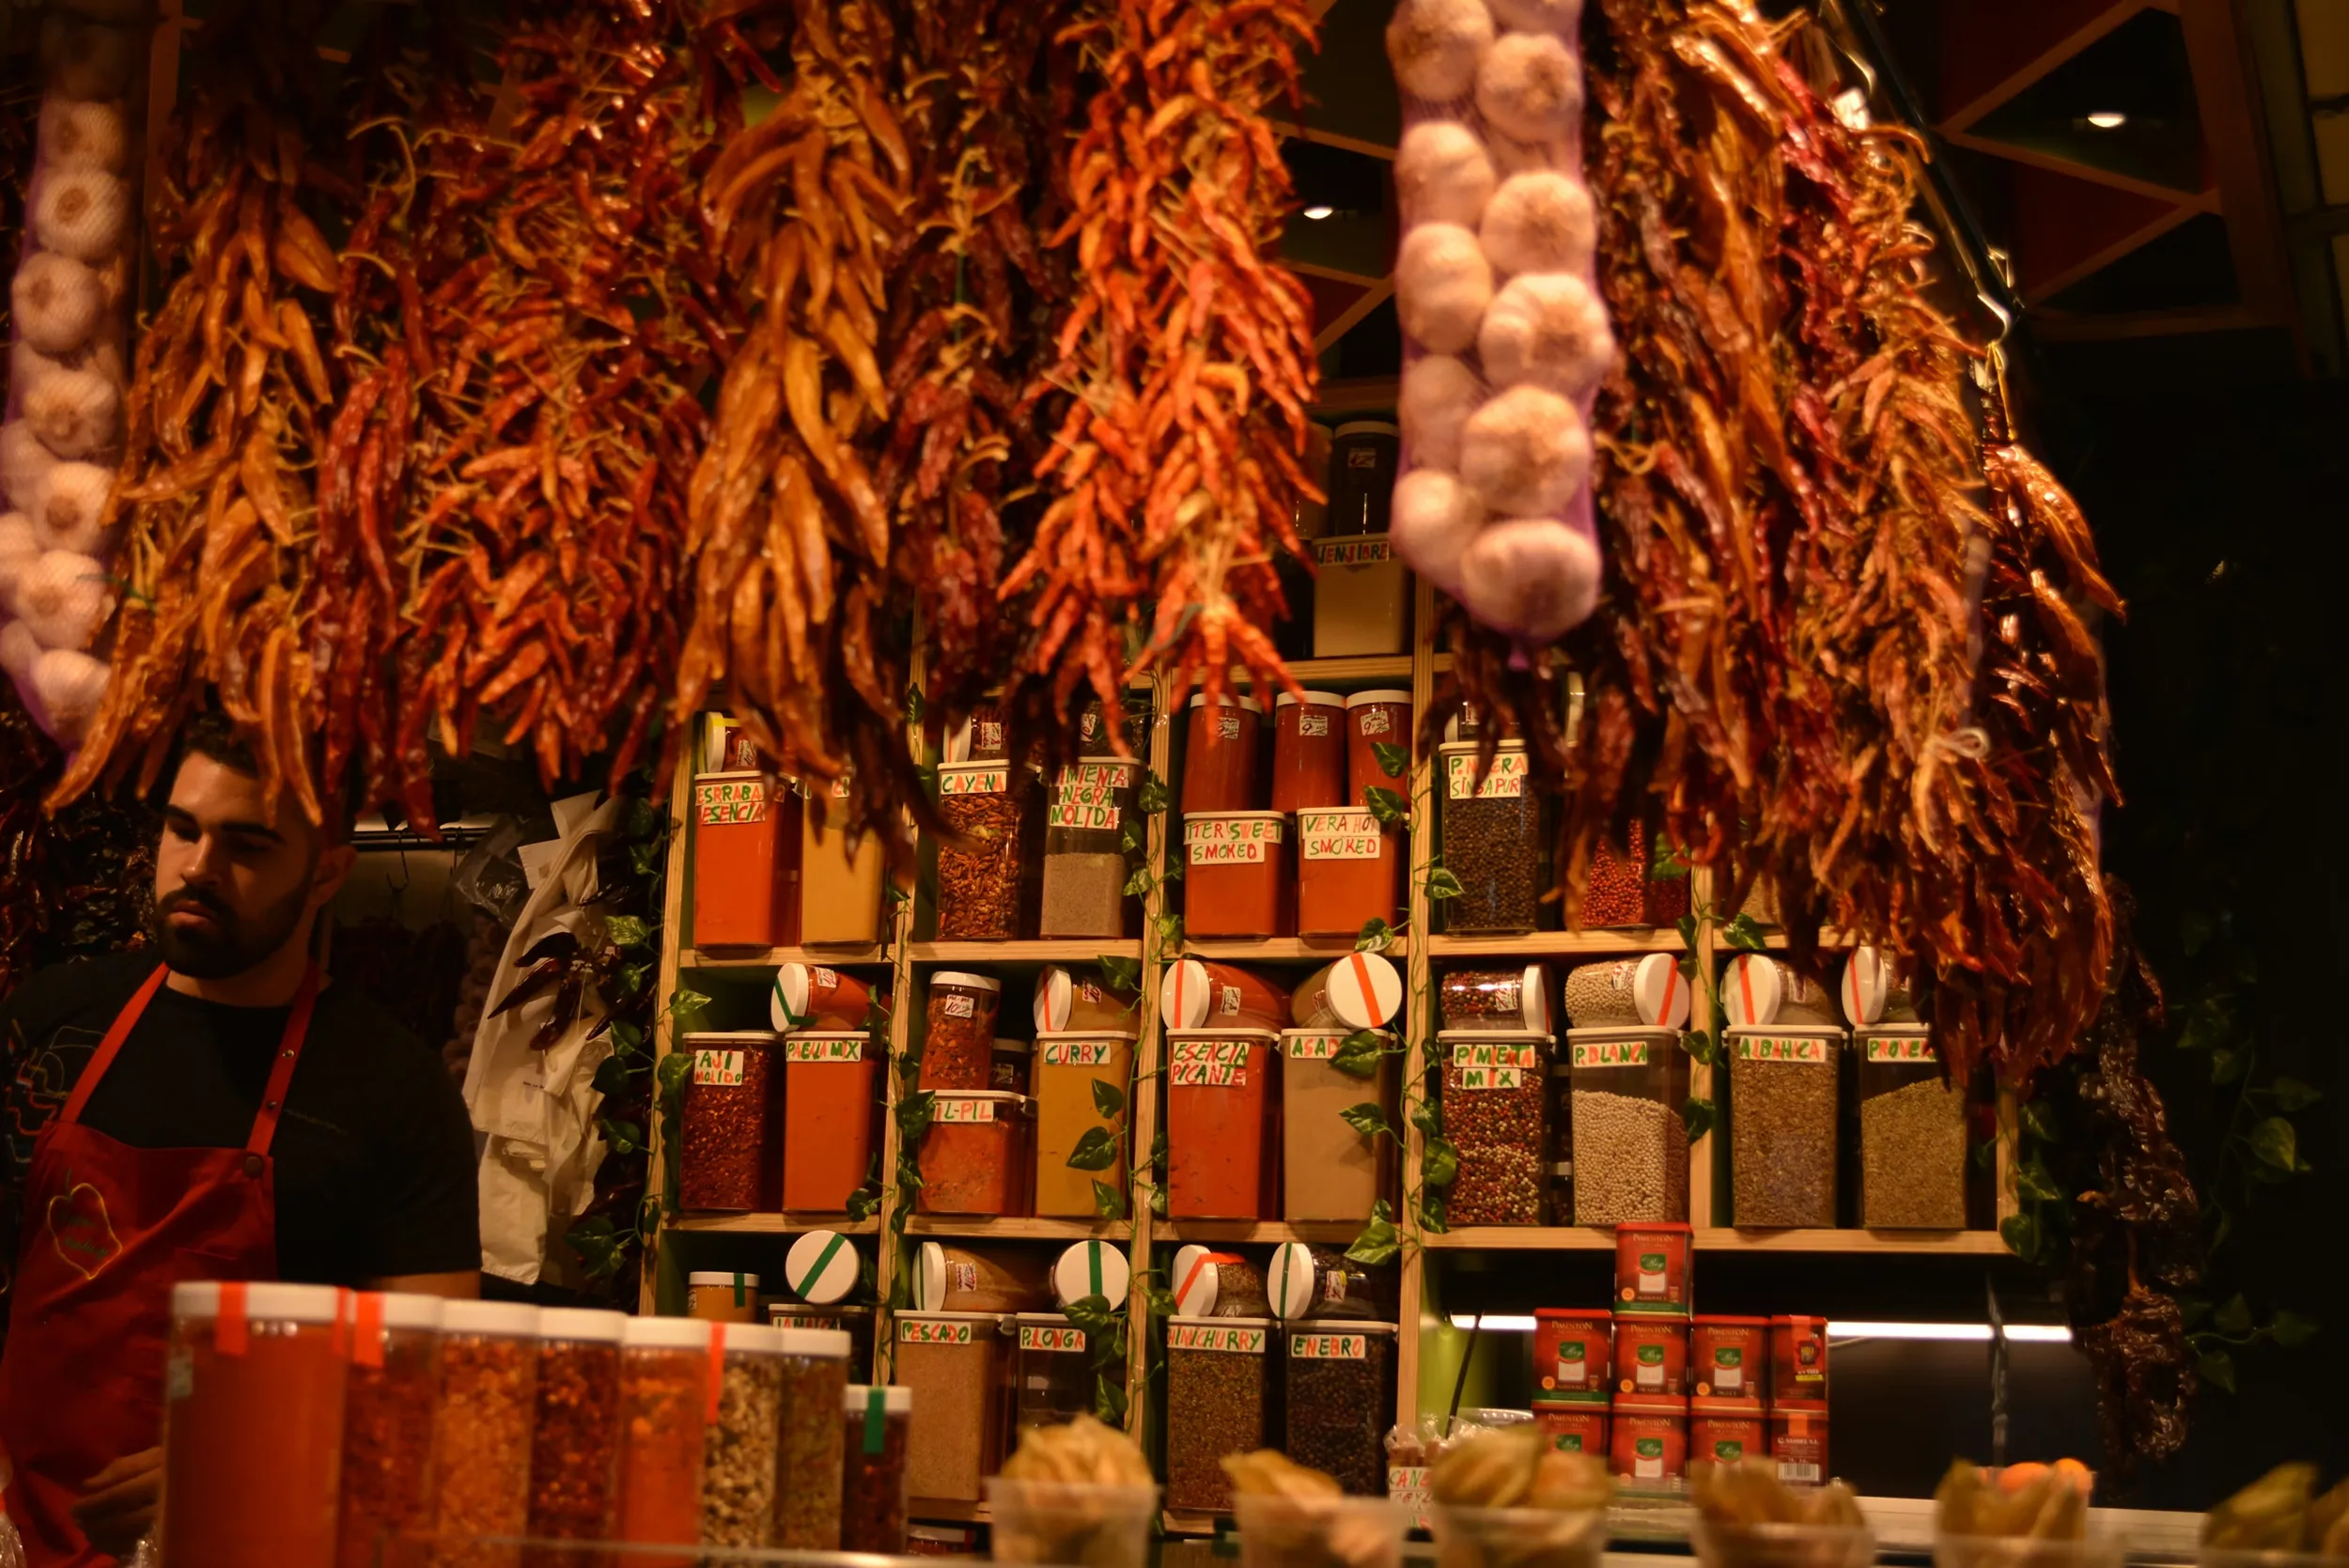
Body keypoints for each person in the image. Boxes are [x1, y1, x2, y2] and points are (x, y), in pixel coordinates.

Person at [0, 713, 482, 1567]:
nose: (197, 867)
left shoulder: (392, 1089)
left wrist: (238, 1449)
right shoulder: (54, 1022)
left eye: (248, 845)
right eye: (183, 829)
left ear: (328, 871)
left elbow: (432, 1379)